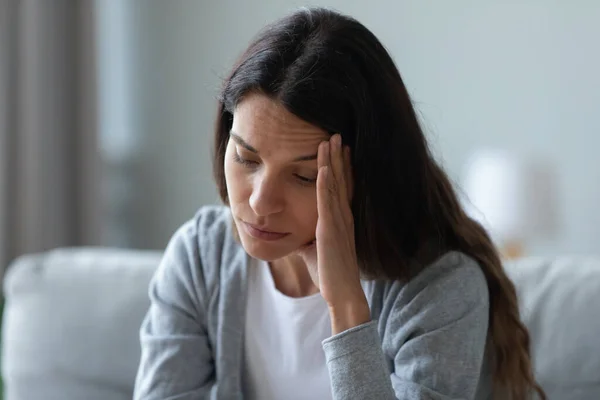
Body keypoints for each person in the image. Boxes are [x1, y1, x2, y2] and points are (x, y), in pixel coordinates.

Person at [133, 7, 545, 400]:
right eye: (246, 158)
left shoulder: (438, 286)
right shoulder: (201, 257)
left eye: (304, 176)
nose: (260, 202)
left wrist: (346, 304)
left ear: (365, 177)